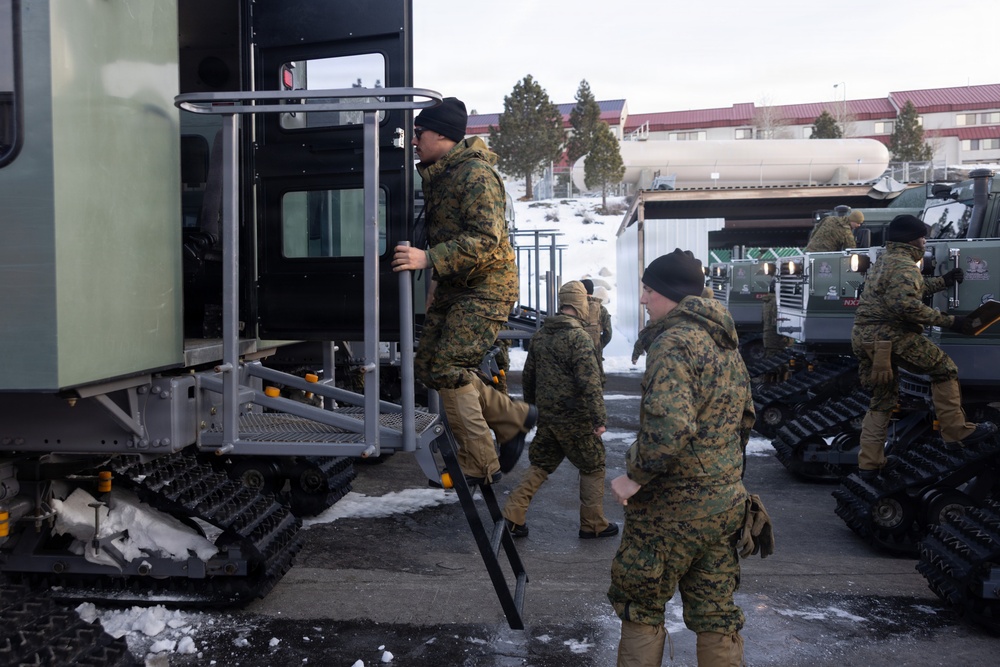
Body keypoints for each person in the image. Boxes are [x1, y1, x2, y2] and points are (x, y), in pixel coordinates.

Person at [609, 249, 756, 667]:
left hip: (671, 511)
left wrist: (633, 477)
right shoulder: (723, 340)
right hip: (724, 504)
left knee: (640, 605)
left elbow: (667, 429)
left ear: (669, 294)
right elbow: (744, 418)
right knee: (715, 612)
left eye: (648, 290)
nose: (642, 300)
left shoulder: (673, 343)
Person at [392, 96, 535, 485]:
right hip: (457, 286)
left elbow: (487, 240)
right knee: (428, 367)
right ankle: (512, 418)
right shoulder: (443, 172)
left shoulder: (473, 174)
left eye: (419, 133)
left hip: (487, 287)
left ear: (443, 135)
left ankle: (480, 463)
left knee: (451, 369)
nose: (415, 140)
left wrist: (428, 259)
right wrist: (438, 282)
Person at [851, 214, 996, 480]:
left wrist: (943, 281)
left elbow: (908, 289)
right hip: (891, 336)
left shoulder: (886, 261)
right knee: (944, 368)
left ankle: (870, 463)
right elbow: (906, 306)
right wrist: (952, 321)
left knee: (882, 400)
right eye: (923, 236)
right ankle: (956, 432)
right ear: (912, 239)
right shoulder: (905, 265)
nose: (925, 241)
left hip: (866, 338)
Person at [502, 280, 617, 539]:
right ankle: (593, 524)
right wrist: (599, 419)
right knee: (593, 465)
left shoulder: (541, 336)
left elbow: (528, 377)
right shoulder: (579, 338)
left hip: (548, 417)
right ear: (580, 305)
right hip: (576, 418)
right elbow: (590, 383)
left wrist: (533, 410)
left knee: (540, 464)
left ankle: (512, 516)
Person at [581, 278, 613, 360]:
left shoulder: (575, 308)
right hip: (595, 355)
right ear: (592, 291)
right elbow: (608, 334)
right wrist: (598, 346)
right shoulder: (601, 309)